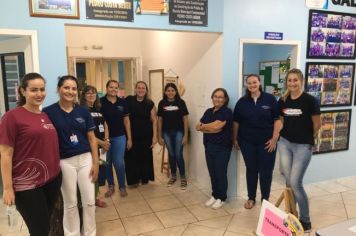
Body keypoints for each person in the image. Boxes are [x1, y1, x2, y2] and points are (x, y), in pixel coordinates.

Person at [0, 73, 62, 236]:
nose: (39, 94)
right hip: (27, 185)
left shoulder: (44, 115)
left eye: (42, 89)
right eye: (34, 90)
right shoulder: (11, 117)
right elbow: (5, 154)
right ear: (23, 91)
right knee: (39, 229)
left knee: (44, 224)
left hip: (51, 179)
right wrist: (7, 188)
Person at [43, 75, 99, 236]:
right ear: (58, 89)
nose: (70, 91)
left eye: (73, 88)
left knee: (89, 202)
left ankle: (89, 233)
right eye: (66, 87)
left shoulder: (83, 111)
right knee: (70, 203)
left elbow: (92, 139)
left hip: (85, 160)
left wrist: (95, 164)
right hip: (64, 162)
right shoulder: (48, 112)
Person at [277, 68, 321, 231]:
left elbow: (317, 124)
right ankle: (292, 215)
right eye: (289, 80)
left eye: (295, 80)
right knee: (289, 182)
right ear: (286, 82)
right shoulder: (282, 100)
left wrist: (307, 139)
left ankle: (305, 220)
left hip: (303, 146)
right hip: (285, 144)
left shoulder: (310, 100)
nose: (292, 83)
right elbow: (281, 121)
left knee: (296, 182)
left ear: (301, 81)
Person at [233, 74, 282, 209]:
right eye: (249, 83)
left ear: (259, 82)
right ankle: (251, 198)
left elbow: (277, 120)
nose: (252, 85)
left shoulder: (270, 99)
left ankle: (265, 199)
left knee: (266, 171)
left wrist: (274, 138)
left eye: (254, 82)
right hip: (247, 142)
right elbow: (236, 123)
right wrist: (235, 139)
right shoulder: (242, 102)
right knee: (251, 169)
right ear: (246, 85)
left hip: (267, 142)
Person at [196, 88, 232, 209]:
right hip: (209, 146)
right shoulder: (208, 111)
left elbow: (217, 127)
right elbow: (197, 126)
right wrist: (208, 127)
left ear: (225, 99)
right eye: (215, 96)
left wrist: (204, 127)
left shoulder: (226, 112)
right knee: (212, 173)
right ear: (212, 98)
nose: (218, 99)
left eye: (221, 97)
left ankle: (222, 198)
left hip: (223, 147)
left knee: (220, 173)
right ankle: (215, 195)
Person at [100, 80, 132, 197]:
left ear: (118, 89)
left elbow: (127, 121)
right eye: (111, 87)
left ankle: (122, 186)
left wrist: (129, 138)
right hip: (104, 139)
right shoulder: (100, 102)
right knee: (106, 163)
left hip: (120, 137)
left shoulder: (122, 103)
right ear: (107, 88)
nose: (113, 89)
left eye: (116, 87)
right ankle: (111, 186)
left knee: (118, 162)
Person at [80, 85, 110, 208]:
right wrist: (101, 143)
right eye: (88, 93)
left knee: (100, 171)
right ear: (84, 96)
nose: (91, 95)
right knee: (92, 172)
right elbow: (86, 134)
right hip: (91, 146)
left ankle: (95, 197)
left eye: (94, 93)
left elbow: (105, 124)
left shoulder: (98, 108)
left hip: (102, 146)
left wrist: (106, 140)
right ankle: (91, 199)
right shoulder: (82, 110)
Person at [125, 81, 157, 187]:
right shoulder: (129, 100)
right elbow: (126, 118)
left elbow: (154, 120)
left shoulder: (150, 103)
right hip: (132, 135)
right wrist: (129, 138)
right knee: (131, 157)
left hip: (146, 135)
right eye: (139, 87)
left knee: (145, 157)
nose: (141, 90)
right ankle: (134, 179)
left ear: (146, 90)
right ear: (135, 89)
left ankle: (144, 178)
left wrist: (155, 136)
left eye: (143, 88)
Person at [157, 83, 189, 189]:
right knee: (171, 154)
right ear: (165, 92)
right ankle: (173, 176)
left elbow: (185, 119)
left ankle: (183, 177)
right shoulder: (162, 103)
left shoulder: (181, 102)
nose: (170, 92)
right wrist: (159, 136)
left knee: (178, 154)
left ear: (176, 92)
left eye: (173, 90)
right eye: (168, 90)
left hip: (179, 132)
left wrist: (185, 135)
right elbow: (160, 120)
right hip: (166, 133)